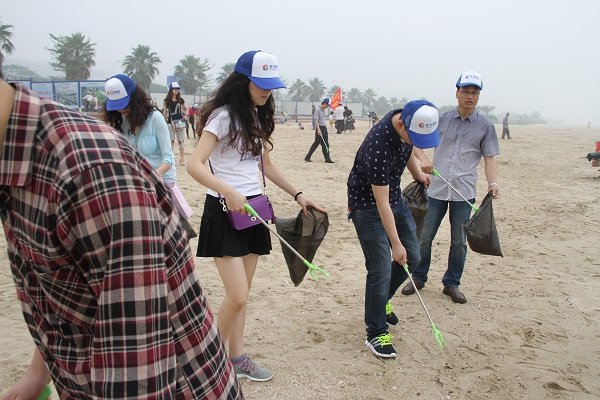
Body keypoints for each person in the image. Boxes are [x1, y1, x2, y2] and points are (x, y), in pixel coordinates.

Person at [0, 67, 242, 399]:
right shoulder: (24, 163)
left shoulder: (93, 175)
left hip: (141, 197)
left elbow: (140, 365)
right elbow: (57, 292)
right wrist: (37, 372)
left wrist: (148, 180)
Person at [186, 50, 325, 382]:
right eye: (261, 84)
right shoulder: (221, 117)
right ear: (243, 81)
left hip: (255, 211)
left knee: (243, 294)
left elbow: (266, 165)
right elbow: (194, 164)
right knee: (237, 295)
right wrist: (226, 189)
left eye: (271, 85)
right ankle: (209, 365)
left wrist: (298, 193)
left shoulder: (258, 115)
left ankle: (236, 357)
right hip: (224, 211)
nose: (267, 91)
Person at [347, 100, 439, 359]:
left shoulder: (405, 122)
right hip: (368, 206)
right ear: (401, 124)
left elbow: (409, 149)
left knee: (415, 255)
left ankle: (380, 301)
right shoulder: (379, 145)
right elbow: (380, 203)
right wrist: (395, 244)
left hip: (394, 198)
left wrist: (418, 174)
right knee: (381, 267)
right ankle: (375, 331)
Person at [402, 70, 500, 304]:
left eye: (474, 92)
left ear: (479, 96)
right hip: (435, 189)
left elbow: (490, 158)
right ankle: (418, 276)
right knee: (425, 237)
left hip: (464, 192)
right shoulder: (441, 119)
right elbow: (414, 140)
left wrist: (492, 183)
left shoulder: (485, 126)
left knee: (459, 241)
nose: (470, 96)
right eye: (465, 91)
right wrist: (424, 159)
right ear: (456, 92)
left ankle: (451, 283)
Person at [102, 73, 197, 239]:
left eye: (123, 104)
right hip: (135, 184)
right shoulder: (121, 121)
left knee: (171, 234)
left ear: (135, 98)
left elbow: (168, 159)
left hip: (161, 181)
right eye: (115, 105)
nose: (120, 109)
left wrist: (150, 178)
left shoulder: (155, 118)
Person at [163, 81, 187, 165]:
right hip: (170, 123)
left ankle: (182, 159)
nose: (176, 90)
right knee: (171, 141)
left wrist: (185, 115)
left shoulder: (181, 100)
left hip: (180, 122)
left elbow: (185, 108)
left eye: (177, 89)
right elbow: (165, 113)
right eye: (174, 89)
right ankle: (171, 159)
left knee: (181, 141)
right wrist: (164, 120)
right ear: (171, 89)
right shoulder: (167, 101)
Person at [304, 98, 335, 163]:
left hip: (324, 128)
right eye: (327, 105)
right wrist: (318, 130)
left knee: (326, 144)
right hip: (320, 128)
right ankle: (307, 157)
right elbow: (316, 120)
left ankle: (327, 159)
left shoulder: (322, 110)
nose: (327, 107)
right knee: (316, 143)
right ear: (324, 103)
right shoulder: (317, 110)